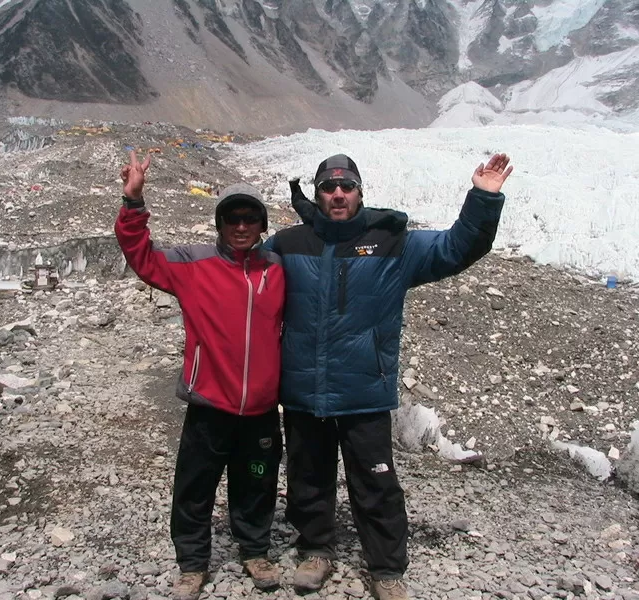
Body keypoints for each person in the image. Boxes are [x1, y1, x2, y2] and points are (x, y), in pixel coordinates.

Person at [266, 153, 513, 599]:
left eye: (346, 186)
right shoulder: (288, 244)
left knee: (376, 482)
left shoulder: (392, 244)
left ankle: (386, 569)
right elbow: (242, 281)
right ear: (318, 194)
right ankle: (316, 548)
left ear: (360, 192)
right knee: (307, 476)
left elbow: (457, 247)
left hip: (364, 389)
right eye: (327, 187)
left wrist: (482, 198)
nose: (337, 194)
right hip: (305, 388)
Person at [114, 151, 286, 600]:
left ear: (262, 224)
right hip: (210, 402)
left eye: (251, 217)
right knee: (195, 485)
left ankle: (254, 550)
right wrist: (133, 203)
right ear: (220, 223)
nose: (242, 225)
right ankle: (192, 563)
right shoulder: (194, 265)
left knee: (257, 481)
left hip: (263, 407)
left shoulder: (278, 270)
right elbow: (141, 256)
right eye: (232, 217)